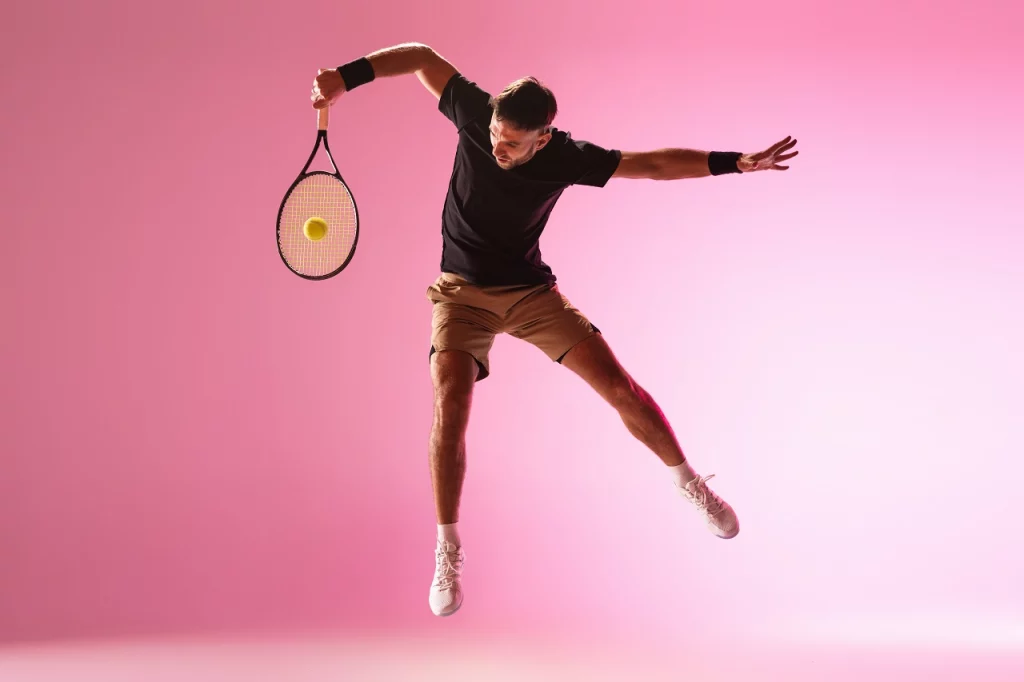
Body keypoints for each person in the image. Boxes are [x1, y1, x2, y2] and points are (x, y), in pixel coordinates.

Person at [311, 42, 799, 618]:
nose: (497, 146)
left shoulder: (565, 157)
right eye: (495, 134)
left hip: (531, 295)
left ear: (541, 139)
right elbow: (419, 56)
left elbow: (652, 165)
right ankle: (447, 549)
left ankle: (690, 482)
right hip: (460, 296)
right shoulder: (474, 111)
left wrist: (735, 162)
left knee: (619, 386)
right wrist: (345, 77)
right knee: (450, 405)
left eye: (511, 142)